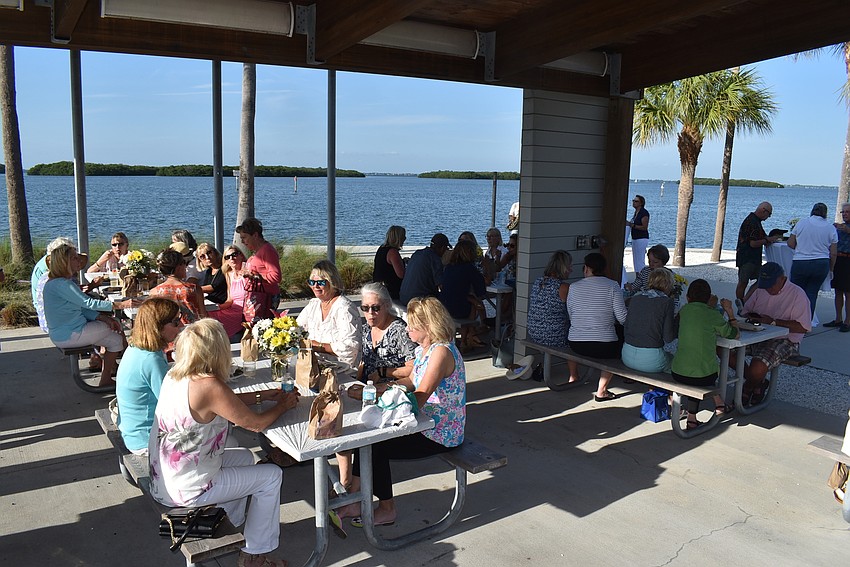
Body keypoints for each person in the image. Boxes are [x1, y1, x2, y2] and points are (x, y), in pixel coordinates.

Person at [149, 319, 298, 567]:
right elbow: (256, 425)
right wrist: (283, 406)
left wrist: (263, 395)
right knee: (271, 476)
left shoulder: (176, 374)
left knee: (244, 457)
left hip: (167, 478)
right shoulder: (209, 385)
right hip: (186, 490)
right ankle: (254, 556)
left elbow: (225, 402)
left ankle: (231, 522)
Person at [336, 297, 465, 528]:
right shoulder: (427, 349)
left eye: (412, 326)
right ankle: (355, 500)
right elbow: (410, 381)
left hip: (440, 431)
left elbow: (421, 394)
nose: (407, 330)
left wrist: (383, 401)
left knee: (376, 444)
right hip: (426, 422)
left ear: (428, 326)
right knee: (365, 438)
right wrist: (375, 390)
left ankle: (387, 509)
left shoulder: (441, 353)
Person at [42, 244, 139, 388]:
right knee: (116, 325)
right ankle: (131, 368)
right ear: (65, 263)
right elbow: (88, 303)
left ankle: (106, 379)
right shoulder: (63, 284)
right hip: (70, 334)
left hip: (64, 333)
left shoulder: (56, 283)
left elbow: (79, 307)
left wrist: (101, 317)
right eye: (74, 258)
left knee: (116, 340)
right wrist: (121, 305)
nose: (78, 262)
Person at [115, 297, 182, 455]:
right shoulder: (151, 359)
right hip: (146, 439)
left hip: (133, 431)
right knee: (224, 441)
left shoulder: (138, 348)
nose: (181, 326)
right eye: (175, 322)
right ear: (158, 326)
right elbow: (173, 404)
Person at [738, 262, 812, 405]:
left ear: (782, 278)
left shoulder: (798, 294)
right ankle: (757, 382)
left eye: (771, 285)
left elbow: (803, 327)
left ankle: (747, 388)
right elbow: (745, 311)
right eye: (765, 285)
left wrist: (773, 322)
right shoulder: (761, 290)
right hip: (757, 334)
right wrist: (750, 316)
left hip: (784, 339)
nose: (768, 289)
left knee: (758, 366)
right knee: (724, 350)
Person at [671, 279, 739, 429]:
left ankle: (715, 407)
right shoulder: (712, 314)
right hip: (702, 376)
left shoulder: (684, 311)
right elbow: (734, 334)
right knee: (703, 372)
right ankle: (700, 415)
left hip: (677, 371)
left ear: (688, 297)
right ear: (709, 298)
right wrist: (730, 312)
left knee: (696, 367)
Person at [567, 252, 627, 402]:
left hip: (576, 344)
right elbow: (622, 318)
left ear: (587, 268)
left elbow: (571, 314)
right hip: (604, 346)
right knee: (620, 337)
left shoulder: (573, 287)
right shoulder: (612, 285)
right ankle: (602, 390)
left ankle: (573, 376)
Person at [296, 259, 361, 369]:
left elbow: (350, 348)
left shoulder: (344, 308)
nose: (315, 286)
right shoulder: (314, 305)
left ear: (332, 282)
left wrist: (316, 346)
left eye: (320, 282)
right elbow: (295, 329)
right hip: (313, 365)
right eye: (312, 282)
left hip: (340, 370)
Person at [526, 250, 579, 382]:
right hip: (552, 334)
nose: (571, 270)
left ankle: (544, 365)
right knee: (575, 336)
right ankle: (574, 375)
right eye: (570, 266)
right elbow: (577, 311)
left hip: (534, 331)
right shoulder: (563, 287)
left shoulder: (538, 281)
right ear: (563, 267)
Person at [358, 282, 416, 384]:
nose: (370, 312)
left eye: (376, 308)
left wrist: (383, 372)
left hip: (392, 391)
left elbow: (414, 369)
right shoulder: (366, 329)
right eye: (365, 308)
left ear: (387, 305)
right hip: (367, 389)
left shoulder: (399, 331)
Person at [788, 202, 838, 318]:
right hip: (821, 263)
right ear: (825, 214)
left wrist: (802, 249)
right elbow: (833, 253)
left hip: (801, 262)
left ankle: (794, 319)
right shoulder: (830, 228)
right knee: (812, 293)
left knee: (796, 293)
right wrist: (831, 269)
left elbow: (790, 243)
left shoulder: (801, 223)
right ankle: (806, 322)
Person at [622, 268, 677, 373]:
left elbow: (626, 326)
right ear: (668, 284)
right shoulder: (667, 302)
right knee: (676, 361)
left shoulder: (635, 298)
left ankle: (652, 388)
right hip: (652, 358)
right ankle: (656, 389)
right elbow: (668, 337)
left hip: (626, 354)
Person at [439, 240, 486, 352]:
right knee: (475, 304)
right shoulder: (469, 268)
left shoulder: (449, 267)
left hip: (444, 306)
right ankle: (465, 340)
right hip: (458, 309)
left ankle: (469, 337)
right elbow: (481, 291)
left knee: (470, 301)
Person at [149, 249, 207, 324]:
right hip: (192, 332)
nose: (186, 266)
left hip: (168, 332)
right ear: (178, 267)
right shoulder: (193, 289)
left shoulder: (154, 292)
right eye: (184, 262)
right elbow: (203, 317)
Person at [735, 202, 777, 302]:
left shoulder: (756, 221)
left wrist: (768, 239)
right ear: (763, 210)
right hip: (747, 258)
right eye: (769, 214)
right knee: (743, 283)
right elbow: (753, 243)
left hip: (754, 258)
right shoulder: (751, 222)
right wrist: (768, 240)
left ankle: (745, 301)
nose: (768, 217)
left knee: (762, 279)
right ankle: (742, 303)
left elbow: (762, 236)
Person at [236, 217, 282, 302]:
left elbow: (276, 277)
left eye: (244, 237)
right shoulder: (258, 251)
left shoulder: (267, 250)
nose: (242, 241)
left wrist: (253, 276)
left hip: (266, 298)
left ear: (255, 235)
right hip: (257, 296)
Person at [208, 245, 249, 338]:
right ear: (225, 261)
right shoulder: (229, 275)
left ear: (241, 255)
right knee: (207, 315)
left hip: (245, 310)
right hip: (232, 308)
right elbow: (229, 300)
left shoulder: (248, 273)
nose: (231, 258)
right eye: (227, 257)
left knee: (216, 320)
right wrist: (217, 307)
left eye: (234, 254)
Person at [399, 233, 451, 305]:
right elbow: (441, 286)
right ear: (442, 248)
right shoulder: (435, 259)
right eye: (446, 249)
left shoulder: (417, 253)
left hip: (403, 297)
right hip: (417, 300)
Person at [826, 203, 850, 332]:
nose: (845, 214)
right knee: (838, 290)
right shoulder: (840, 227)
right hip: (839, 259)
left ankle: (848, 321)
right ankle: (838, 318)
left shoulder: (845, 228)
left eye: (847, 212)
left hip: (848, 260)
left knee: (848, 292)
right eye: (843, 212)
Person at [372, 226, 406, 301]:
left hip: (380, 287)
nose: (405, 238)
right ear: (399, 238)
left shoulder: (382, 248)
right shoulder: (393, 252)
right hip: (391, 290)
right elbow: (401, 274)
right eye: (403, 236)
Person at [626, 195, 650, 273]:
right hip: (635, 238)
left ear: (641, 203)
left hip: (641, 238)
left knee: (639, 260)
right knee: (636, 260)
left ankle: (641, 278)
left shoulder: (644, 213)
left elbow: (644, 227)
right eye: (633, 201)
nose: (633, 202)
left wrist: (631, 225)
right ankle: (638, 278)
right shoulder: (636, 212)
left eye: (636, 201)